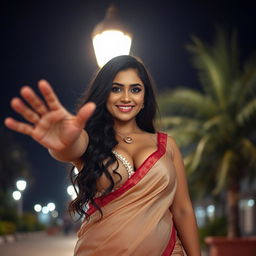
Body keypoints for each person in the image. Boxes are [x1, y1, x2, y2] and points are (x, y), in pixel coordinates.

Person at [4, 55, 201, 255]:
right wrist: (63, 141)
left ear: (145, 98)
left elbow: (183, 210)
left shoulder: (167, 145)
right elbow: (70, 148)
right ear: (104, 94)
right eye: (116, 88)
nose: (126, 97)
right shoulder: (90, 140)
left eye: (135, 89)